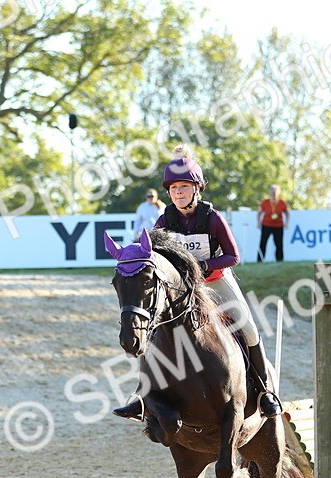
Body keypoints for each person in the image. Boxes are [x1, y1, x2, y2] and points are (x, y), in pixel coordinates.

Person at [113, 145, 283, 420]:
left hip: (215, 282)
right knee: (153, 334)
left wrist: (202, 266)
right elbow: (153, 256)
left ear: (197, 189)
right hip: (182, 290)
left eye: (184, 186)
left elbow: (233, 256)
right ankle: (142, 397)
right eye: (174, 188)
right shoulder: (165, 219)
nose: (178, 192)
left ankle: (265, 392)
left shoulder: (212, 218)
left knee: (248, 327)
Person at [256, 184, 289, 262]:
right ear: (270, 192)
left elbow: (287, 213)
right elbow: (259, 212)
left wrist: (286, 222)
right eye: (272, 191)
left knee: (279, 244)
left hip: (278, 226)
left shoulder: (282, 203)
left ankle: (280, 260)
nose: (273, 193)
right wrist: (258, 222)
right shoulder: (265, 202)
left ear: (278, 192)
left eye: (275, 191)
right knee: (263, 243)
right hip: (266, 225)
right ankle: (259, 260)